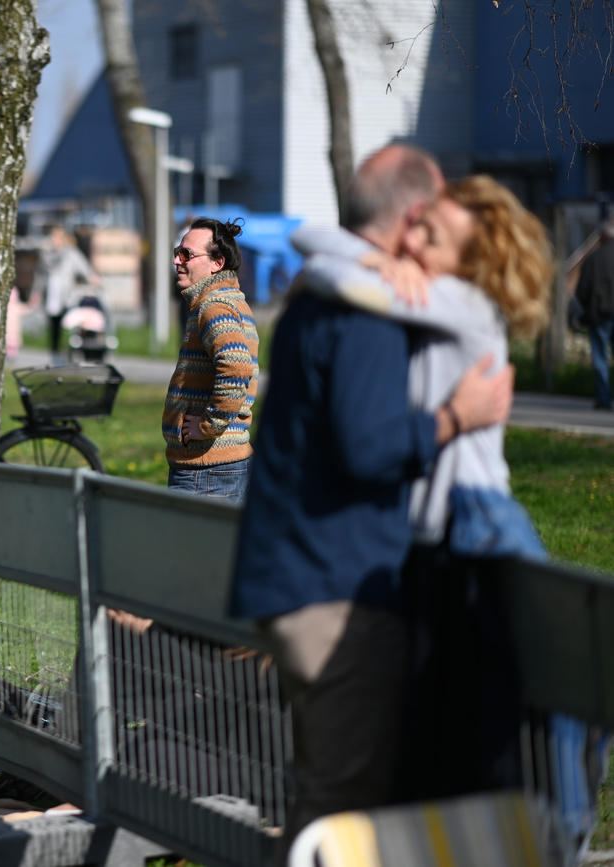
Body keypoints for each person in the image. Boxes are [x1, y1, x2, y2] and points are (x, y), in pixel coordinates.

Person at [295, 176, 607, 854]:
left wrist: (367, 260)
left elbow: (319, 258)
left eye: (429, 234)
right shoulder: (414, 307)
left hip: (478, 522)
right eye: (412, 223)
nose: (407, 240)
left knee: (523, 697)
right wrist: (378, 258)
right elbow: (316, 256)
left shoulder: (462, 306)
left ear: (473, 262)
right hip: (435, 533)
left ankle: (563, 829)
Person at [227, 144, 515, 848]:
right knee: (344, 798)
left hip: (292, 573)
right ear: (414, 215)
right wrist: (458, 415)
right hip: (334, 583)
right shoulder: (368, 312)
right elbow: (372, 445)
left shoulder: (324, 293)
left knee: (327, 787)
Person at [160, 217, 259, 502]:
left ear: (217, 262)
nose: (177, 261)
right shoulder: (230, 300)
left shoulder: (214, 306)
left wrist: (207, 425)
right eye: (177, 252)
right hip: (218, 467)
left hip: (206, 470)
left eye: (187, 254)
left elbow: (236, 367)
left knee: (188, 547)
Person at [38, 226, 98, 360]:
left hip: (67, 296)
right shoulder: (46, 254)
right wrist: (35, 294)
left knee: (69, 324)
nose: (53, 240)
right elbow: (40, 276)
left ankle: (70, 353)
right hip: (51, 295)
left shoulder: (70, 254)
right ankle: (55, 354)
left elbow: (84, 267)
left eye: (56, 237)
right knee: (54, 326)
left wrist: (92, 277)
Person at [576, 220, 614, 410]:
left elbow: (582, 290)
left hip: (599, 314)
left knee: (600, 358)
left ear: (603, 237)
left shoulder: (593, 258)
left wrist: (587, 307)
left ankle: (604, 398)